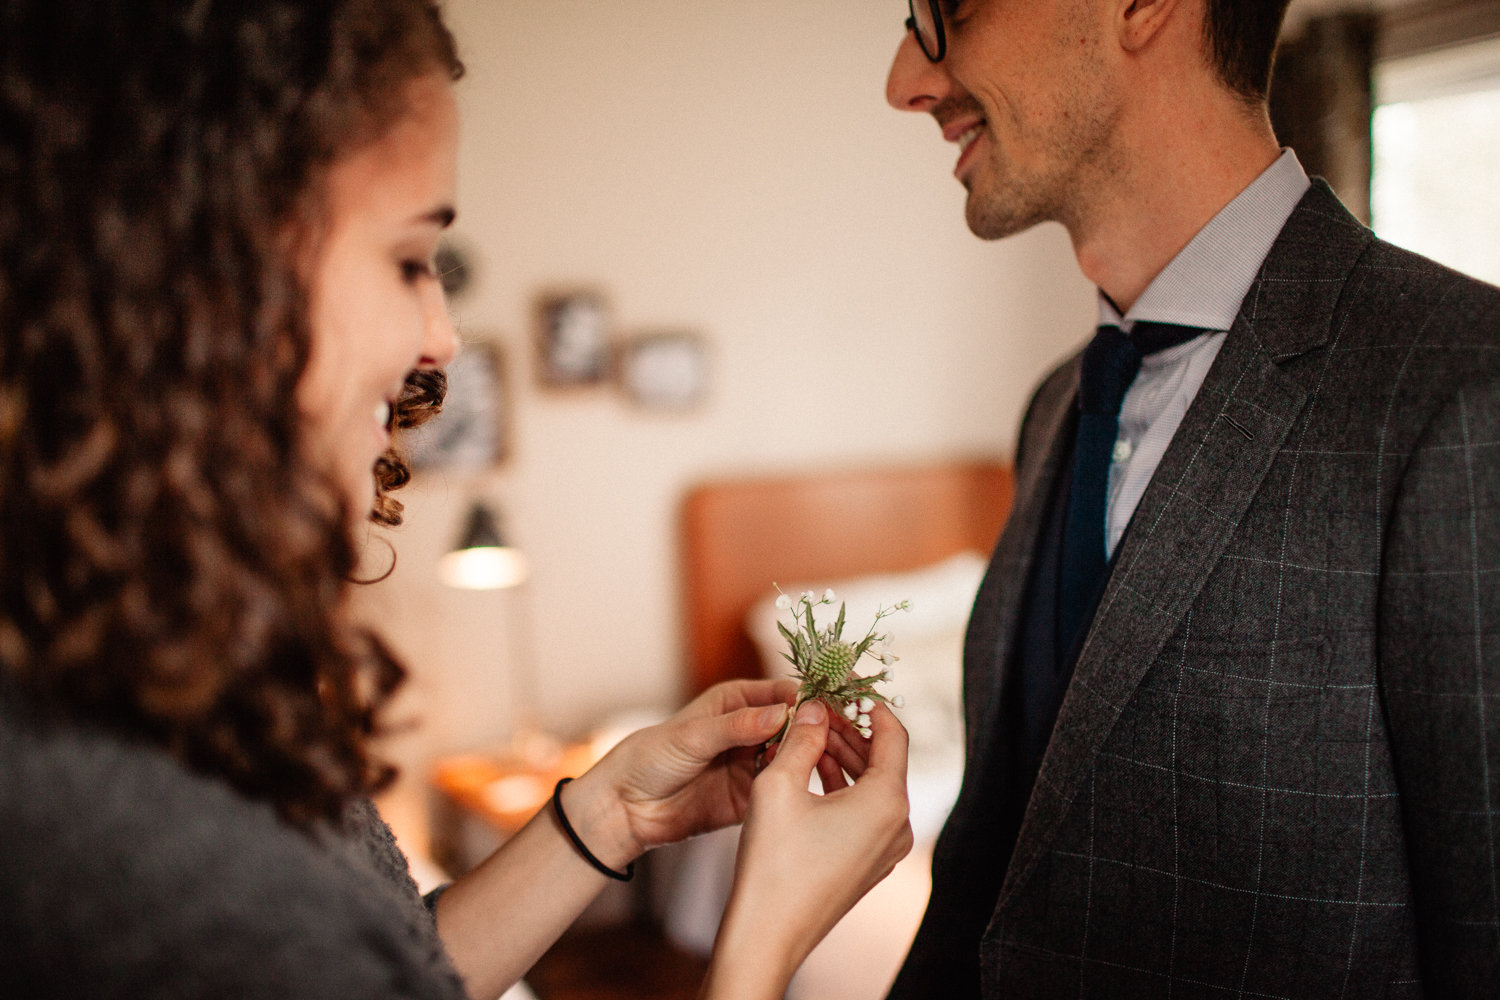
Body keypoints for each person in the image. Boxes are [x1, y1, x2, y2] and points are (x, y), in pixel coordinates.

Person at [0, 3, 914, 999]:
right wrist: (764, 941)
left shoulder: (174, 674)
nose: (442, 338)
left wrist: (607, 811)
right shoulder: (151, 868)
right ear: (202, 284)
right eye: (406, 261)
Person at [882, 0, 1500, 997]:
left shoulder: (1464, 391)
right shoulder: (1056, 410)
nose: (904, 79)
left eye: (941, 11)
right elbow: (995, 873)